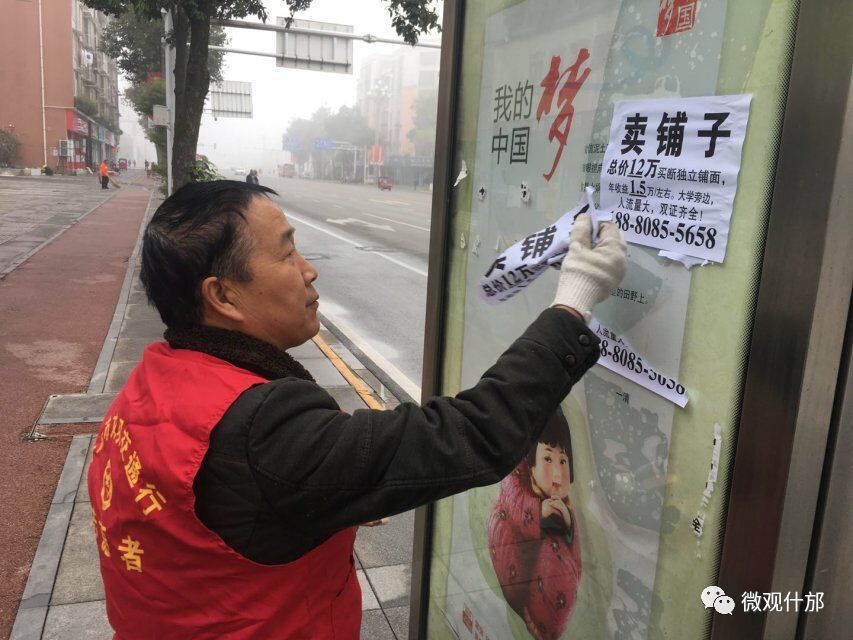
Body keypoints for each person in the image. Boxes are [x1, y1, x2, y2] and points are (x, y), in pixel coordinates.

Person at [87, 180, 626, 639]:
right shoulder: (263, 433)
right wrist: (574, 300)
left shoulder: (153, 382)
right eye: (286, 253)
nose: (309, 271)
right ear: (223, 297)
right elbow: (468, 435)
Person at [488, 410, 580, 640]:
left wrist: (567, 525)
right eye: (547, 459)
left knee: (556, 552)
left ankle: (545, 624)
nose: (557, 473)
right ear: (531, 465)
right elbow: (511, 500)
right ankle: (534, 615)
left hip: (546, 602)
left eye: (563, 460)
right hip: (515, 566)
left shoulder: (564, 506)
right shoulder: (517, 477)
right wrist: (539, 512)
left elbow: (576, 562)